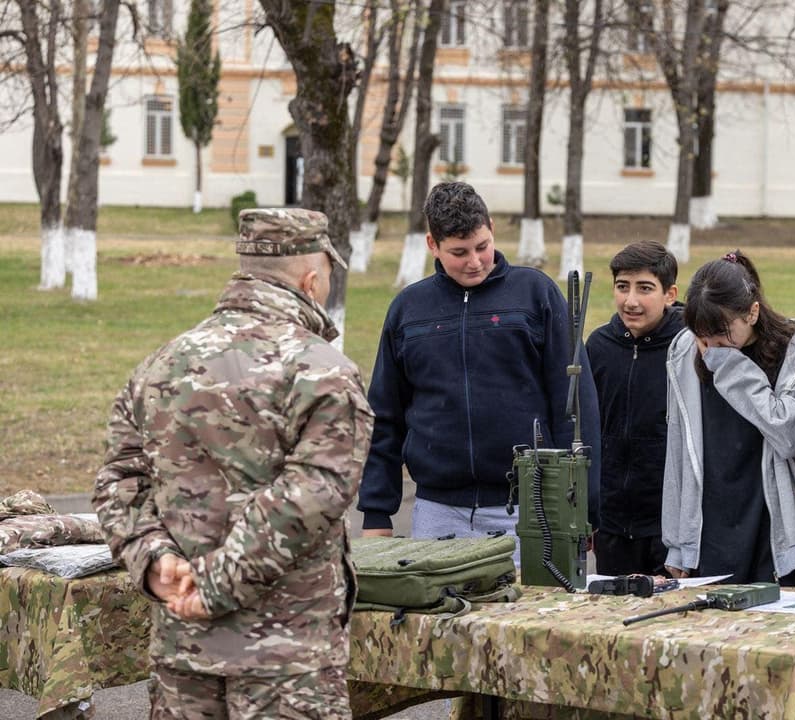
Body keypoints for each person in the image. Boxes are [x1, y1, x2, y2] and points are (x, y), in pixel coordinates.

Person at [93, 208, 373, 719]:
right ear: (313, 280)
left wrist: (154, 562)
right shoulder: (323, 371)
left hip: (185, 652)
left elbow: (118, 482)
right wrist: (215, 585)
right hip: (286, 665)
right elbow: (311, 496)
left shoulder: (162, 364)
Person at [358, 181, 600, 552]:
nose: (474, 261)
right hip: (437, 512)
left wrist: (583, 509)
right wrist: (376, 514)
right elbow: (385, 416)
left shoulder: (536, 295)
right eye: (459, 252)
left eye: (482, 247)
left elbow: (575, 407)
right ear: (432, 245)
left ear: (492, 229)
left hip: (529, 509)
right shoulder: (409, 309)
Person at [662, 251, 795, 587]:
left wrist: (728, 365)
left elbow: (787, 433)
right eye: (700, 333)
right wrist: (678, 544)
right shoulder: (683, 349)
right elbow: (679, 449)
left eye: (721, 333)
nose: (710, 344)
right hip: (710, 528)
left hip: (776, 530)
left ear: (752, 312)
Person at [586, 240, 681, 576]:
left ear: (670, 294)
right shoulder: (598, 347)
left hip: (668, 527)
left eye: (645, 289)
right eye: (622, 287)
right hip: (611, 524)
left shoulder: (687, 347)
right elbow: (585, 429)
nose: (631, 301)